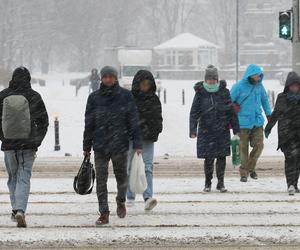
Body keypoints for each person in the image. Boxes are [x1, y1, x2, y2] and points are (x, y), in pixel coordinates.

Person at [83, 66, 142, 226]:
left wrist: (137, 142)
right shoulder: (94, 98)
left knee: (121, 177)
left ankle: (121, 200)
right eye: (106, 77)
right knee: (101, 181)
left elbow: (133, 120)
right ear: (101, 78)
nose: (108, 79)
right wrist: (86, 146)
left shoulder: (125, 96)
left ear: (115, 78)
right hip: (100, 145)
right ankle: (104, 212)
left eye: (111, 77)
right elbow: (89, 123)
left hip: (120, 144)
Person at [0, 67, 49, 227]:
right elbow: (44, 122)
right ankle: (20, 209)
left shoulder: (3, 95)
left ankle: (15, 209)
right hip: (28, 145)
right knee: (24, 176)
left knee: (13, 177)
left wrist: (3, 137)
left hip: (8, 145)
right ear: (28, 79)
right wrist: (36, 140)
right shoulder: (34, 96)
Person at [190, 65, 240, 192]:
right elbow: (194, 112)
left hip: (221, 129)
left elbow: (231, 112)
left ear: (217, 79)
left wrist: (236, 129)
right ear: (205, 79)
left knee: (221, 157)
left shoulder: (224, 92)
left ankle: (221, 183)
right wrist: (192, 129)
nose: (211, 81)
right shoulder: (200, 93)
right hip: (206, 130)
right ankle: (207, 183)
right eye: (209, 79)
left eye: (214, 79)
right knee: (208, 158)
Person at [127, 70, 163, 210]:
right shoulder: (130, 99)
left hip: (148, 138)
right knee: (130, 167)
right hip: (131, 138)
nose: (145, 87)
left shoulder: (154, 99)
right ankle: (130, 196)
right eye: (143, 84)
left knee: (147, 167)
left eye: (148, 84)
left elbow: (158, 118)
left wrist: (155, 131)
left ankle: (148, 197)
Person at [231, 64, 272, 182]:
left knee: (259, 146)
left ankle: (250, 168)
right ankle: (244, 173)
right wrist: (233, 106)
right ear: (249, 75)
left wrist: (269, 115)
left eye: (259, 75)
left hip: (257, 122)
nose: (258, 78)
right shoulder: (238, 86)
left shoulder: (260, 86)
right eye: (255, 75)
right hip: (242, 123)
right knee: (243, 150)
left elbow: (265, 100)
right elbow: (229, 101)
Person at [265, 72, 300, 195]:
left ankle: (295, 184)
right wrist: (268, 127)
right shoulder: (282, 97)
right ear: (288, 86)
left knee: (298, 160)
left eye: (297, 85)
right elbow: (276, 114)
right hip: (286, 134)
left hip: (298, 134)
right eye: (292, 85)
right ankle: (290, 184)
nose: (295, 88)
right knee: (290, 159)